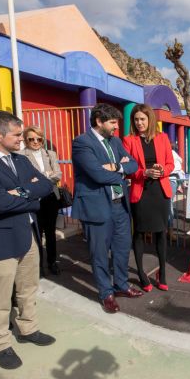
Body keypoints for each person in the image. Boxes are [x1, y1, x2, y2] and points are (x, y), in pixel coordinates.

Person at [0, 110, 56, 370]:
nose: (21, 139)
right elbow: (0, 203)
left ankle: (28, 329)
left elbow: (46, 186)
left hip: (27, 235)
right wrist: (29, 194)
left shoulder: (21, 160)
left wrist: (21, 191)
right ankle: (1, 344)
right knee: (0, 298)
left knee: (28, 290)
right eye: (16, 135)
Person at [72, 103, 142, 313]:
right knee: (100, 253)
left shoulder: (115, 141)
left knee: (121, 249)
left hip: (120, 205)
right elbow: (97, 174)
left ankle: (120, 286)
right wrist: (121, 171)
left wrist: (117, 167)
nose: (116, 127)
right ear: (99, 121)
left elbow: (134, 164)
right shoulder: (82, 143)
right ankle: (106, 293)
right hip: (97, 207)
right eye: (112, 123)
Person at [123, 104, 174, 292]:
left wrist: (162, 171)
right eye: (136, 119)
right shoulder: (129, 140)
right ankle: (142, 274)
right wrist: (143, 172)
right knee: (139, 233)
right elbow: (127, 170)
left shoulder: (163, 138)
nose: (139, 123)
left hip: (160, 191)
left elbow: (170, 164)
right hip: (141, 191)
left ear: (150, 119)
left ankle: (163, 273)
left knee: (161, 232)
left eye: (142, 119)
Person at [20, 125, 63, 276]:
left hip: (51, 198)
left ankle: (52, 262)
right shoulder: (21, 155)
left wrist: (39, 178)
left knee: (51, 233)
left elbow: (58, 174)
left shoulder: (50, 154)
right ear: (26, 140)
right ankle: (38, 266)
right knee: (37, 233)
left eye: (39, 138)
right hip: (33, 199)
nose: (35, 142)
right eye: (31, 139)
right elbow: (24, 180)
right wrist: (46, 174)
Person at [168, 143, 185, 235]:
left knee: (168, 204)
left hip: (170, 179)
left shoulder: (171, 154)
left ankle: (170, 230)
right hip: (173, 179)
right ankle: (169, 230)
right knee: (167, 204)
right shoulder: (175, 155)